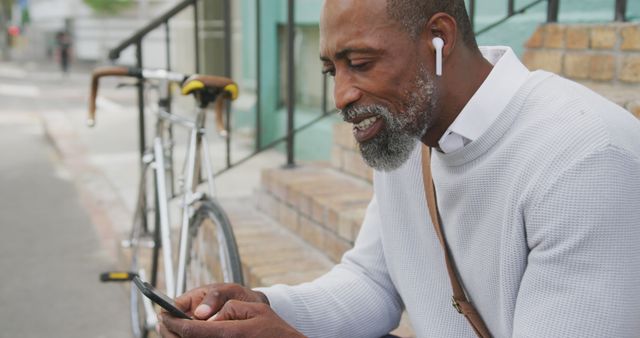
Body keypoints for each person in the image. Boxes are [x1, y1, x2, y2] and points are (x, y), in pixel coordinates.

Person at [159, 0, 640, 337]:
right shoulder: (410, 129)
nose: (340, 96)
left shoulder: (584, 160)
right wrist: (259, 310)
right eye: (332, 70)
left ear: (439, 38)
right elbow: (372, 283)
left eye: (361, 63)